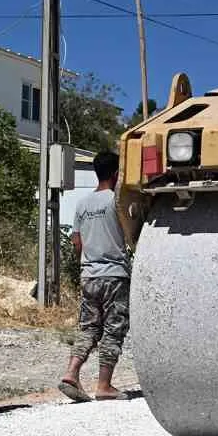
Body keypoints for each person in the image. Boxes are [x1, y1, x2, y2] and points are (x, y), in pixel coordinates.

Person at [58, 149, 133, 402]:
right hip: (114, 275)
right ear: (116, 174)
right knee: (114, 329)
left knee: (89, 327)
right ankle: (104, 385)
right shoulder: (116, 202)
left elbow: (76, 242)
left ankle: (71, 372)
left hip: (89, 275)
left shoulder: (82, 204)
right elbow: (131, 234)